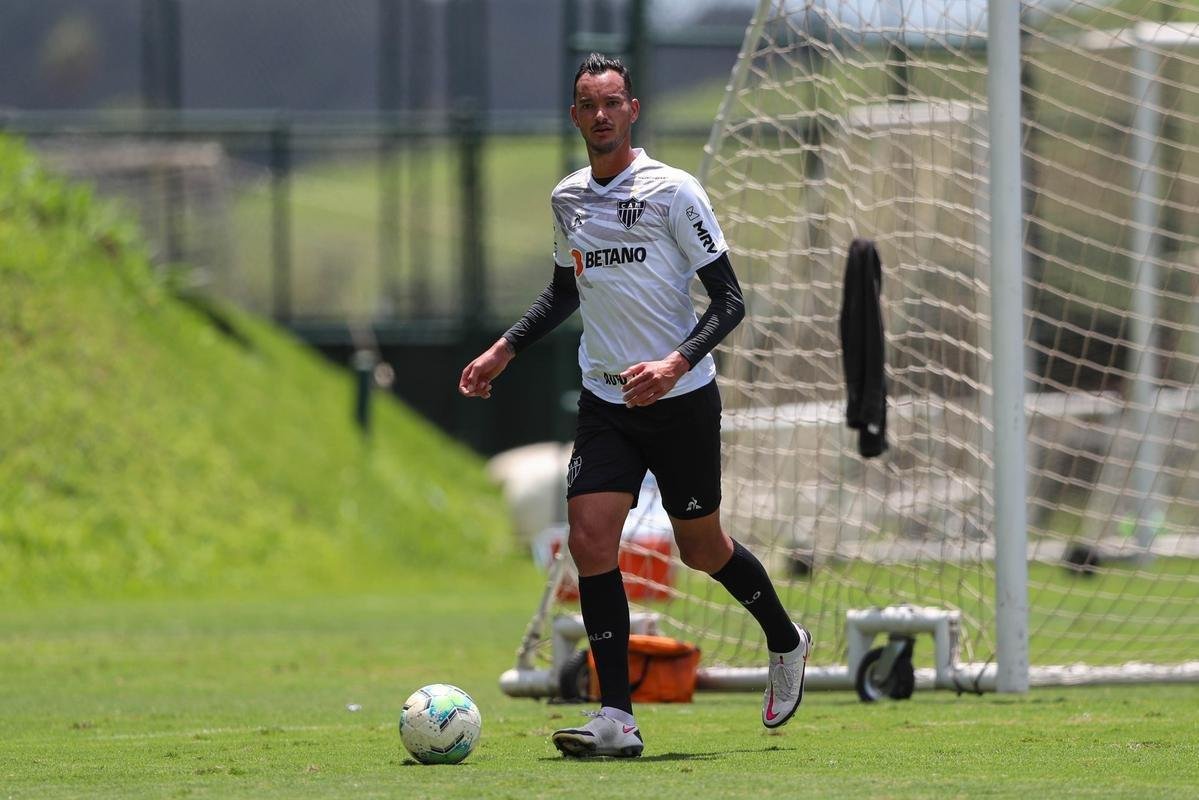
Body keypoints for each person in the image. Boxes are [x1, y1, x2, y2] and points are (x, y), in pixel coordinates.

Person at [459, 53, 810, 759]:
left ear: (632, 109)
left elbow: (731, 300)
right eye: (587, 104)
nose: (600, 115)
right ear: (574, 115)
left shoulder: (674, 192)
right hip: (605, 400)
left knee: (700, 546)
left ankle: (783, 636)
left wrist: (676, 360)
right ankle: (615, 716)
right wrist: (505, 348)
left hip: (680, 399)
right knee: (588, 540)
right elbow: (564, 289)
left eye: (611, 102)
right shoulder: (566, 199)